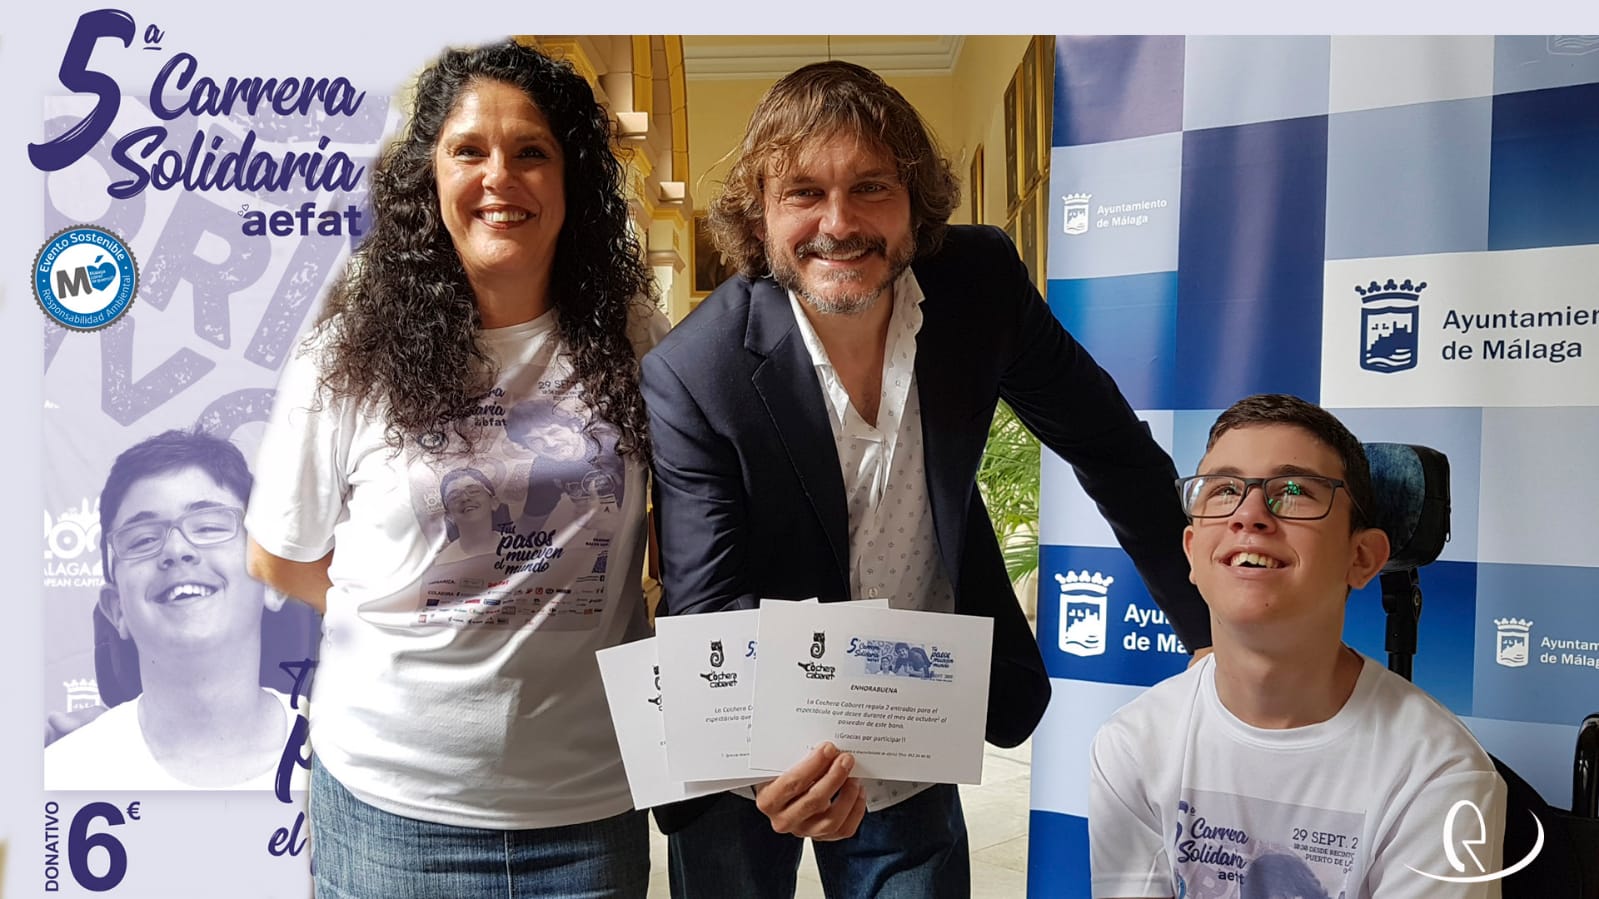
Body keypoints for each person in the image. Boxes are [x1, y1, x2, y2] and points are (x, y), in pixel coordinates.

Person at [640, 60, 1211, 898]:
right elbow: (708, 600)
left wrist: (1208, 632)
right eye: (803, 192)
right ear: (759, 214)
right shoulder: (697, 369)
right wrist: (767, 760)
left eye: (871, 186)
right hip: (751, 749)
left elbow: (1111, 448)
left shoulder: (978, 287)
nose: (839, 223)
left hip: (907, 720)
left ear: (915, 201)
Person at [244, 39, 664, 898]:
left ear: (572, 180)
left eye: (531, 152)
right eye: (468, 150)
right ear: (428, 177)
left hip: (589, 801)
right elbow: (278, 555)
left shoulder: (633, 336)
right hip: (392, 806)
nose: (498, 177)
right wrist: (420, 611)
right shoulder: (348, 351)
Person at [1088, 394, 1505, 899]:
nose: (1249, 515)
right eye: (1224, 489)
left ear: (1362, 557)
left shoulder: (1439, 775)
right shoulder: (1134, 743)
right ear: (1193, 554)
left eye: (1294, 491)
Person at [45, 429, 302, 791]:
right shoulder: (58, 777)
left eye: (209, 526)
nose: (177, 550)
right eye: (144, 539)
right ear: (116, 610)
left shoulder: (351, 766)